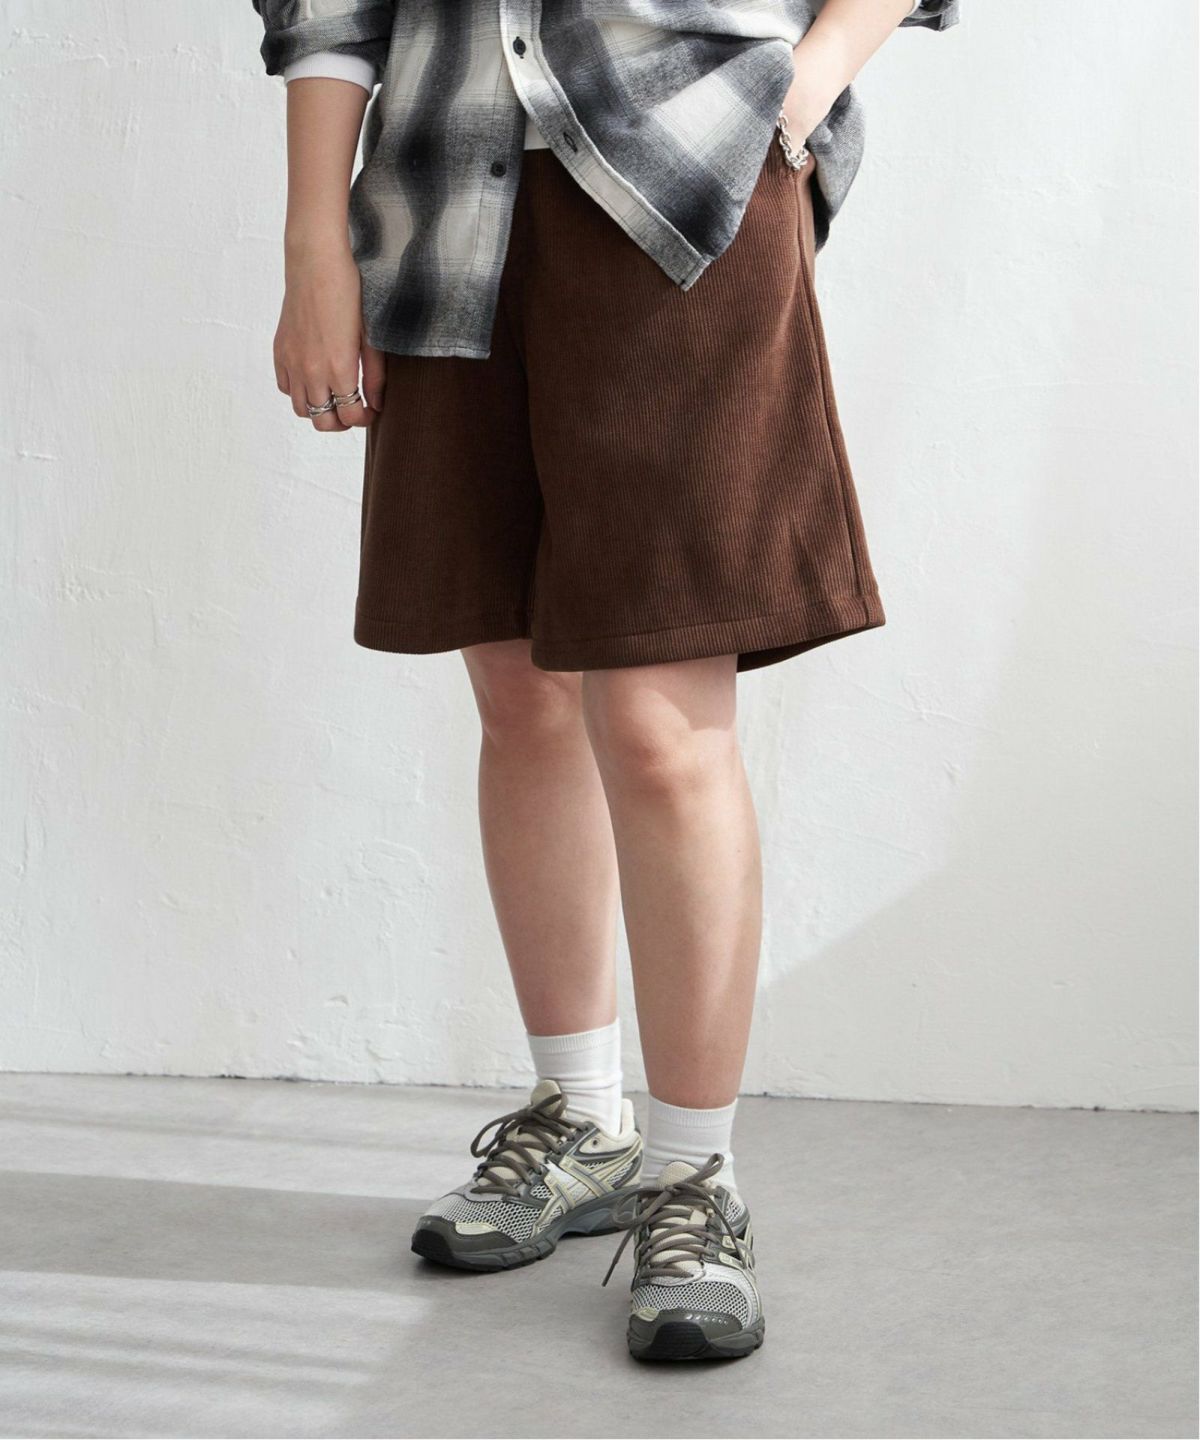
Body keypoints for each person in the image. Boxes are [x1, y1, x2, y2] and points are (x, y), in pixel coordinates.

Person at [249, 0, 959, 1363]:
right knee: (518, 692)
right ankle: (578, 1115)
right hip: (444, 205)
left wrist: (805, 87)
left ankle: (696, 1177)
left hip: (683, 184)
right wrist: (312, 240)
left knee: (656, 722)